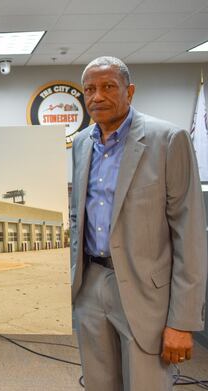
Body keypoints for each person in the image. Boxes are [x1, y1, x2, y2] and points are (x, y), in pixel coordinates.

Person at [70, 56, 207, 390]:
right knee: (99, 384)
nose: (97, 96)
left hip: (147, 292)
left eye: (108, 87)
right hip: (90, 282)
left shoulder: (168, 140)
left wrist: (182, 321)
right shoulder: (81, 143)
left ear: (129, 92)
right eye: (89, 89)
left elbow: (189, 234)